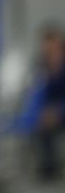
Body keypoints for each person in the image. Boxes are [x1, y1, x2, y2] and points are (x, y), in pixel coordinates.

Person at [10, 23, 65, 181]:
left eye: (53, 44)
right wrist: (34, 117)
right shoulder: (41, 67)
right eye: (46, 45)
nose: (49, 49)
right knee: (39, 124)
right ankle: (48, 167)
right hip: (48, 114)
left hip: (60, 110)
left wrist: (59, 111)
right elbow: (36, 95)